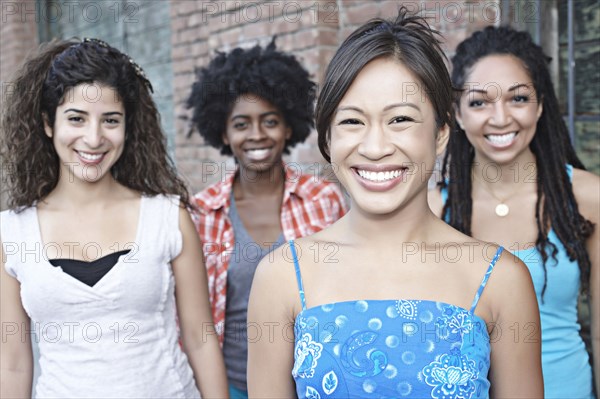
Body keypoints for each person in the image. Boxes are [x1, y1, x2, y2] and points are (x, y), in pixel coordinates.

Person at [247, 9, 543, 398]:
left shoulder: (501, 278)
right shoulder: (283, 275)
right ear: (329, 139)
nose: (375, 147)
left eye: (400, 119)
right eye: (352, 122)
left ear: (439, 135)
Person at [0, 38, 228, 398]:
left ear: (127, 126)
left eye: (110, 120)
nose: (93, 138)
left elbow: (201, 340)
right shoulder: (12, 231)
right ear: (48, 123)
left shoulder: (167, 217)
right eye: (76, 118)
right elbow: (12, 362)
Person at [429, 25, 599, 398]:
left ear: (539, 105)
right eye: (479, 102)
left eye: (518, 98)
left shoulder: (587, 196)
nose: (501, 118)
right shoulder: (432, 210)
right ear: (456, 114)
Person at [186, 39, 347, 398]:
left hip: (315, 380)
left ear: (288, 126)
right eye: (241, 124)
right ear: (224, 134)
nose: (257, 134)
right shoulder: (201, 213)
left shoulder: (325, 199)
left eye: (270, 121)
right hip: (232, 384)